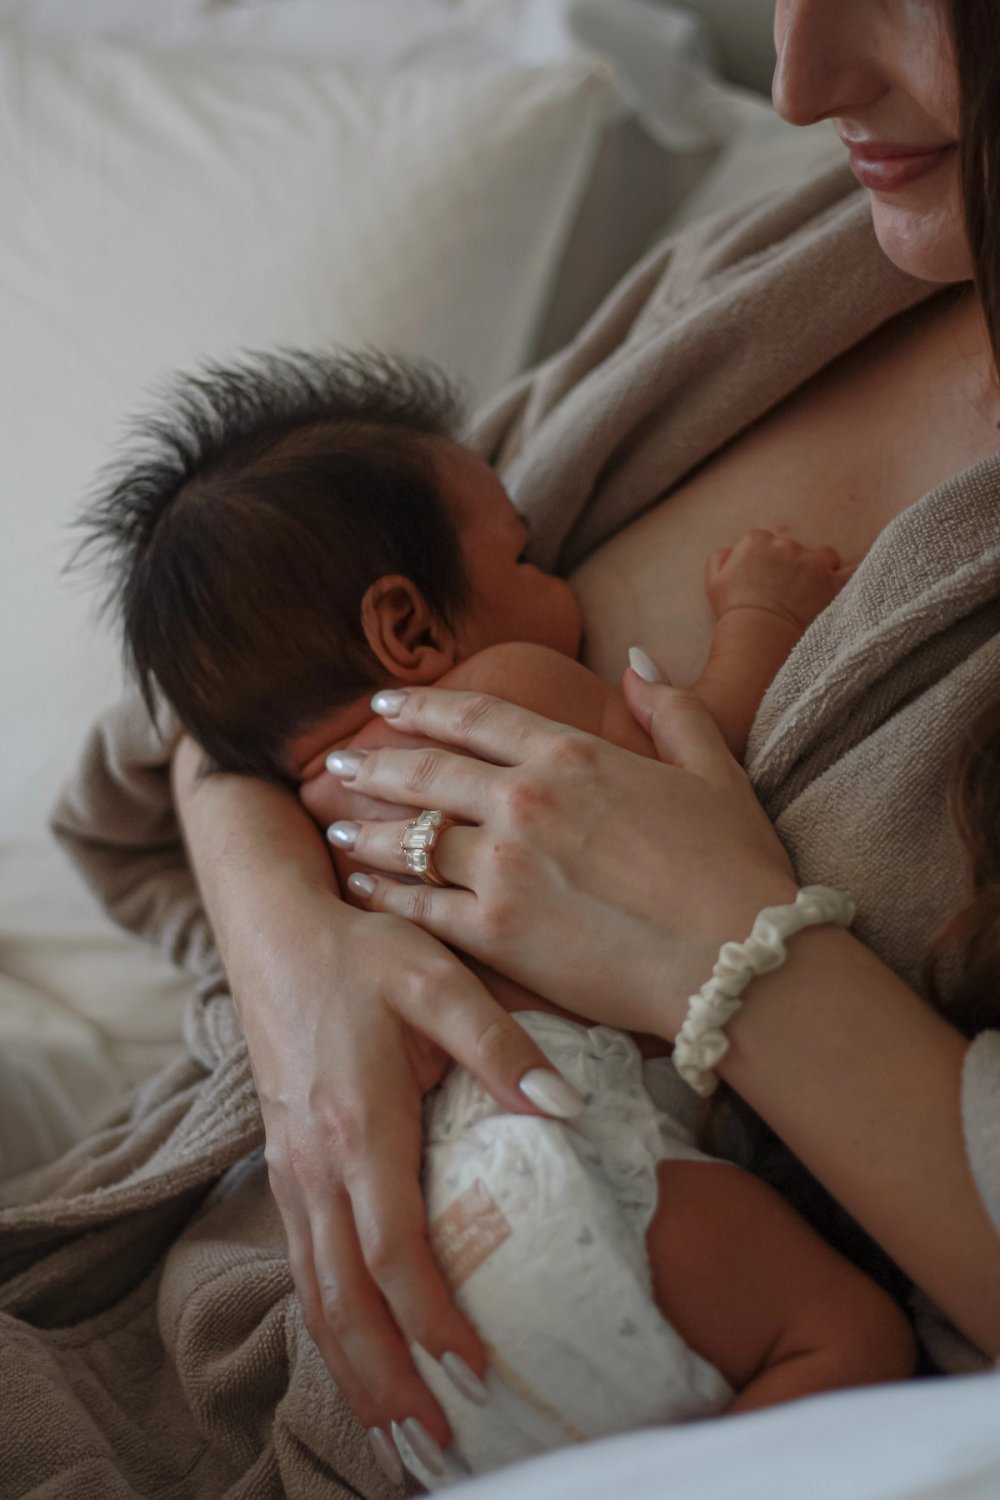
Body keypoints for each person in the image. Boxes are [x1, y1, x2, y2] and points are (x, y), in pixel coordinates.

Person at [63, 0, 1000, 1488]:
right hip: (275, 1247)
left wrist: (730, 947)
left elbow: (265, 720)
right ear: (406, 625)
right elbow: (206, 706)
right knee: (825, 1336)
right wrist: (295, 958)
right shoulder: (802, 251)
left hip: (462, 1255)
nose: (796, 80)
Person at [80, 347, 912, 1484]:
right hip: (564, 1173)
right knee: (851, 1339)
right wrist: (757, 617)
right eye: (521, 552)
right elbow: (693, 769)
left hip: (423, 1285)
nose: (550, 573)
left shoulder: (307, 816)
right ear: (408, 632)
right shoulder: (500, 697)